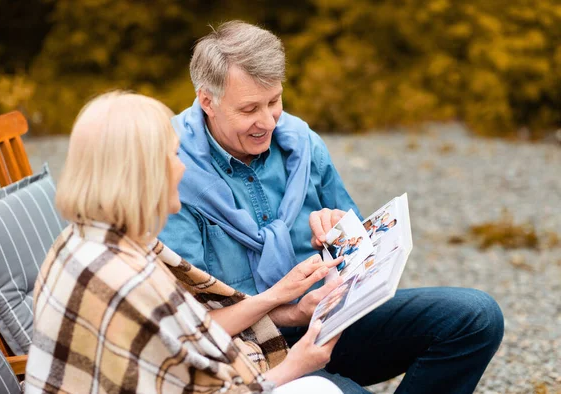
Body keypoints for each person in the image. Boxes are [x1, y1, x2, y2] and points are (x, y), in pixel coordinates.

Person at [160, 21, 504, 393]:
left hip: (328, 322)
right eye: (248, 109)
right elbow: (188, 324)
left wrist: (342, 233)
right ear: (206, 101)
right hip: (245, 351)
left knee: (477, 316)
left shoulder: (302, 144)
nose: (267, 122)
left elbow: (365, 259)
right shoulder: (171, 171)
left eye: (274, 101)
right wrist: (288, 311)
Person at [25, 92, 347, 393]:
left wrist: (281, 298)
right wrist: (296, 365)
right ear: (142, 173)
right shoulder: (124, 279)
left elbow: (196, 327)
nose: (183, 168)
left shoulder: (88, 239)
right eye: (173, 155)